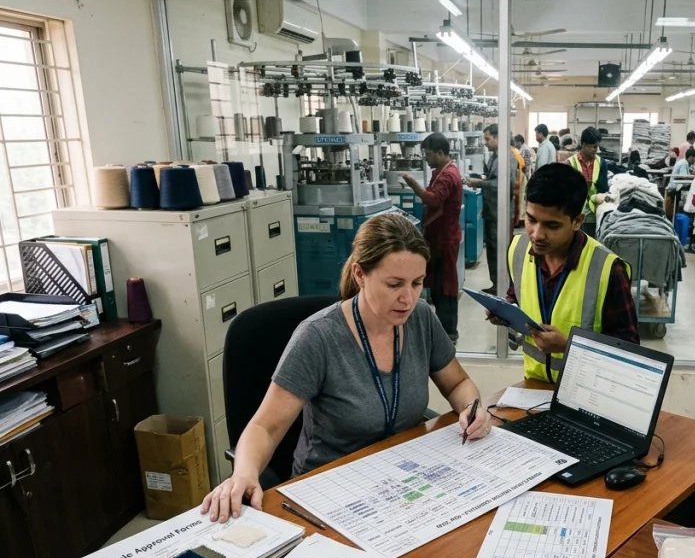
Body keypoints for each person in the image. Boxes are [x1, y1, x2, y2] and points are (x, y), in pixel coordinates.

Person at [200, 213, 491, 522]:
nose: (408, 298)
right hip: (332, 490)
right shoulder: (318, 338)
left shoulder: (420, 318)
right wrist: (244, 473)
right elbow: (265, 427)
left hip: (402, 479)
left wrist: (473, 409)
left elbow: (458, 384)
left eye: (417, 283)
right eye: (394, 284)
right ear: (360, 275)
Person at [491, 164, 639, 383]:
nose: (537, 234)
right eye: (531, 220)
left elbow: (629, 352)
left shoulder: (607, 269)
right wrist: (505, 311)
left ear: (577, 221)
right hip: (534, 387)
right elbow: (519, 296)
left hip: (587, 393)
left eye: (551, 225)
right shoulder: (518, 250)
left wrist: (569, 345)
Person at [400, 133, 462, 342]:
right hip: (437, 237)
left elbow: (432, 198)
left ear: (440, 153)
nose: (425, 158)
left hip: (444, 238)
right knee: (437, 284)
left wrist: (411, 183)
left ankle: (448, 331)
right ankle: (442, 329)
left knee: (445, 285)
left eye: (428, 154)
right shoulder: (442, 171)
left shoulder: (448, 175)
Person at [467, 123, 517, 294]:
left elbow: (505, 185)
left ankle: (505, 286)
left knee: (501, 251)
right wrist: (481, 178)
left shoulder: (508, 158)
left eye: (488, 139)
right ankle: (496, 284)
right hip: (492, 211)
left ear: (498, 138)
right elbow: (492, 178)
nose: (485, 142)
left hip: (501, 213)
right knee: (492, 251)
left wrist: (479, 183)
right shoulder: (494, 156)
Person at [567, 126, 610, 237]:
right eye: (593, 147)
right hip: (574, 213)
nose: (596, 150)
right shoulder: (570, 163)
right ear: (584, 144)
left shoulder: (602, 163)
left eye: (597, 146)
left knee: (590, 245)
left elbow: (604, 188)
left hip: (593, 215)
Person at [664, 147, 695, 218]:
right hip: (675, 190)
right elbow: (683, 176)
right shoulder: (684, 163)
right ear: (690, 157)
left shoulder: (684, 162)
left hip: (676, 188)